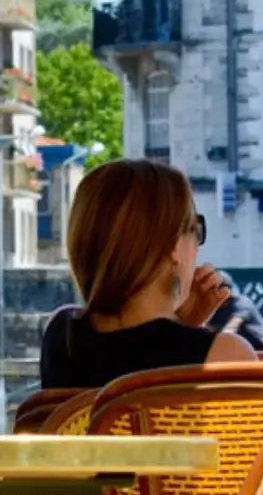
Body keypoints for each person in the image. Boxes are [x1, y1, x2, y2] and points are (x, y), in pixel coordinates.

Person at [38, 158, 251, 392]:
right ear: (171, 243)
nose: (198, 246)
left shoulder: (60, 337)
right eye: (195, 229)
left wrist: (182, 325)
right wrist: (189, 335)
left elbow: (129, 353)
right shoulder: (227, 359)